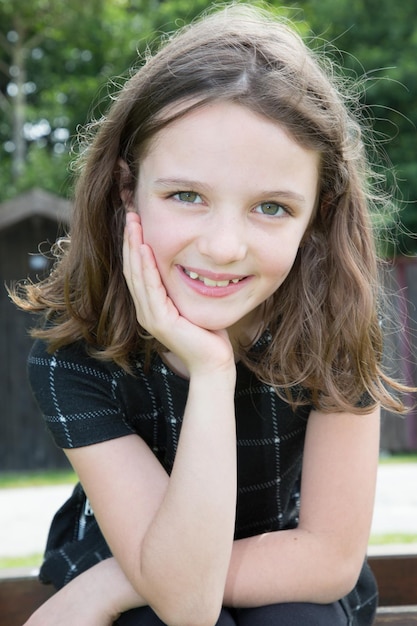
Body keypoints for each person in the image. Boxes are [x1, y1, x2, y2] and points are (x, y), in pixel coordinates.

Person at [11, 3, 411, 625]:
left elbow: (328, 558)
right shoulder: (75, 353)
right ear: (127, 190)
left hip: (285, 566)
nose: (224, 246)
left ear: (318, 215)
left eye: (272, 207)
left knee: (296, 619)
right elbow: (187, 608)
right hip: (144, 569)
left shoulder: (335, 326)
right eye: (187, 196)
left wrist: (114, 584)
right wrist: (210, 371)